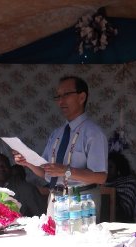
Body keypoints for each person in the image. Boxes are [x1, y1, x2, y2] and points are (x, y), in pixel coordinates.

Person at [13, 76, 108, 216]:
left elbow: (100, 177)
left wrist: (66, 171)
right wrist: (28, 162)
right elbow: (46, 171)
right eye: (58, 96)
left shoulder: (93, 133)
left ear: (82, 97)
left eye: (66, 95)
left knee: (80, 238)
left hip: (81, 201)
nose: (60, 101)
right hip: (55, 200)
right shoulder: (57, 133)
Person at [105, 152, 136, 222]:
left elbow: (126, 210)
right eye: (106, 166)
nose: (107, 170)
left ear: (118, 168)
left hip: (125, 221)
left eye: (110, 167)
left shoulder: (129, 182)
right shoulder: (101, 183)